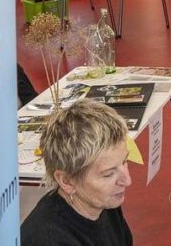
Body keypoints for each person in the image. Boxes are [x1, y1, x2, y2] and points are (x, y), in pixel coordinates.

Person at [21, 99, 133, 245]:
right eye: (108, 174)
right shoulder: (49, 239)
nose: (127, 181)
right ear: (66, 181)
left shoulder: (104, 202)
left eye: (124, 162)